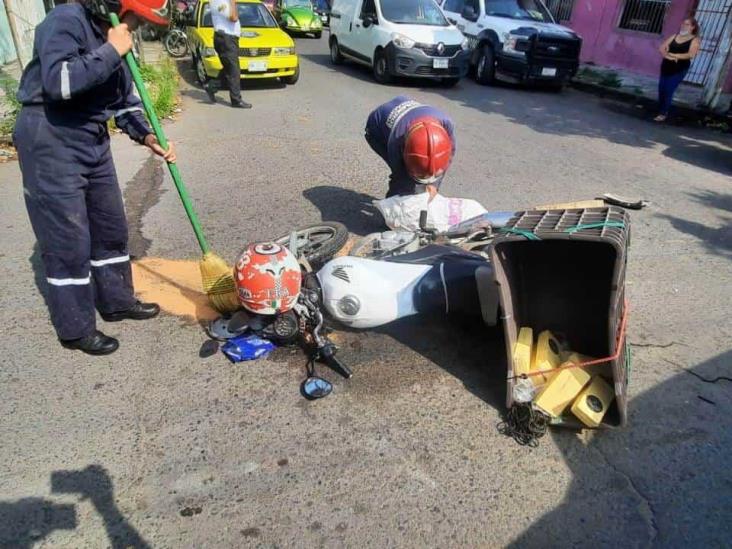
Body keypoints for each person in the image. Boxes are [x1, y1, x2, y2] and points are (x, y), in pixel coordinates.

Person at [13, 0, 176, 356]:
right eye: (137, 18)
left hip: (92, 136)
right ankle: (75, 328)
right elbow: (60, 82)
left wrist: (147, 136)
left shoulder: (119, 38)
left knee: (110, 225)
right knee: (67, 237)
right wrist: (111, 49)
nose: (138, 28)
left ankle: (117, 301)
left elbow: (125, 102)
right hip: (50, 134)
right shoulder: (65, 20)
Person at [365, 96, 455, 198]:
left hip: (405, 109)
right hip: (376, 131)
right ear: (404, 150)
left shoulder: (446, 123)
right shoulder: (395, 140)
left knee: (418, 183)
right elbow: (400, 172)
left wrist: (434, 185)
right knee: (405, 180)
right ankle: (395, 209)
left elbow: (448, 158)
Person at [205, 0, 252, 108]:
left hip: (224, 38)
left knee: (228, 68)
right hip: (227, 39)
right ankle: (236, 100)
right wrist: (233, 2)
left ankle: (211, 86)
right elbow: (233, 17)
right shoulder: (223, 3)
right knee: (234, 70)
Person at [655, 17, 700, 122]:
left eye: (687, 24)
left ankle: (663, 113)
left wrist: (675, 56)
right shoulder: (674, 36)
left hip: (679, 68)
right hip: (666, 65)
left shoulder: (694, 40)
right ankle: (661, 109)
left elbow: (691, 54)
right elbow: (662, 48)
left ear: (693, 27)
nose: (684, 26)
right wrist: (668, 56)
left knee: (668, 90)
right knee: (661, 89)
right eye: (683, 23)